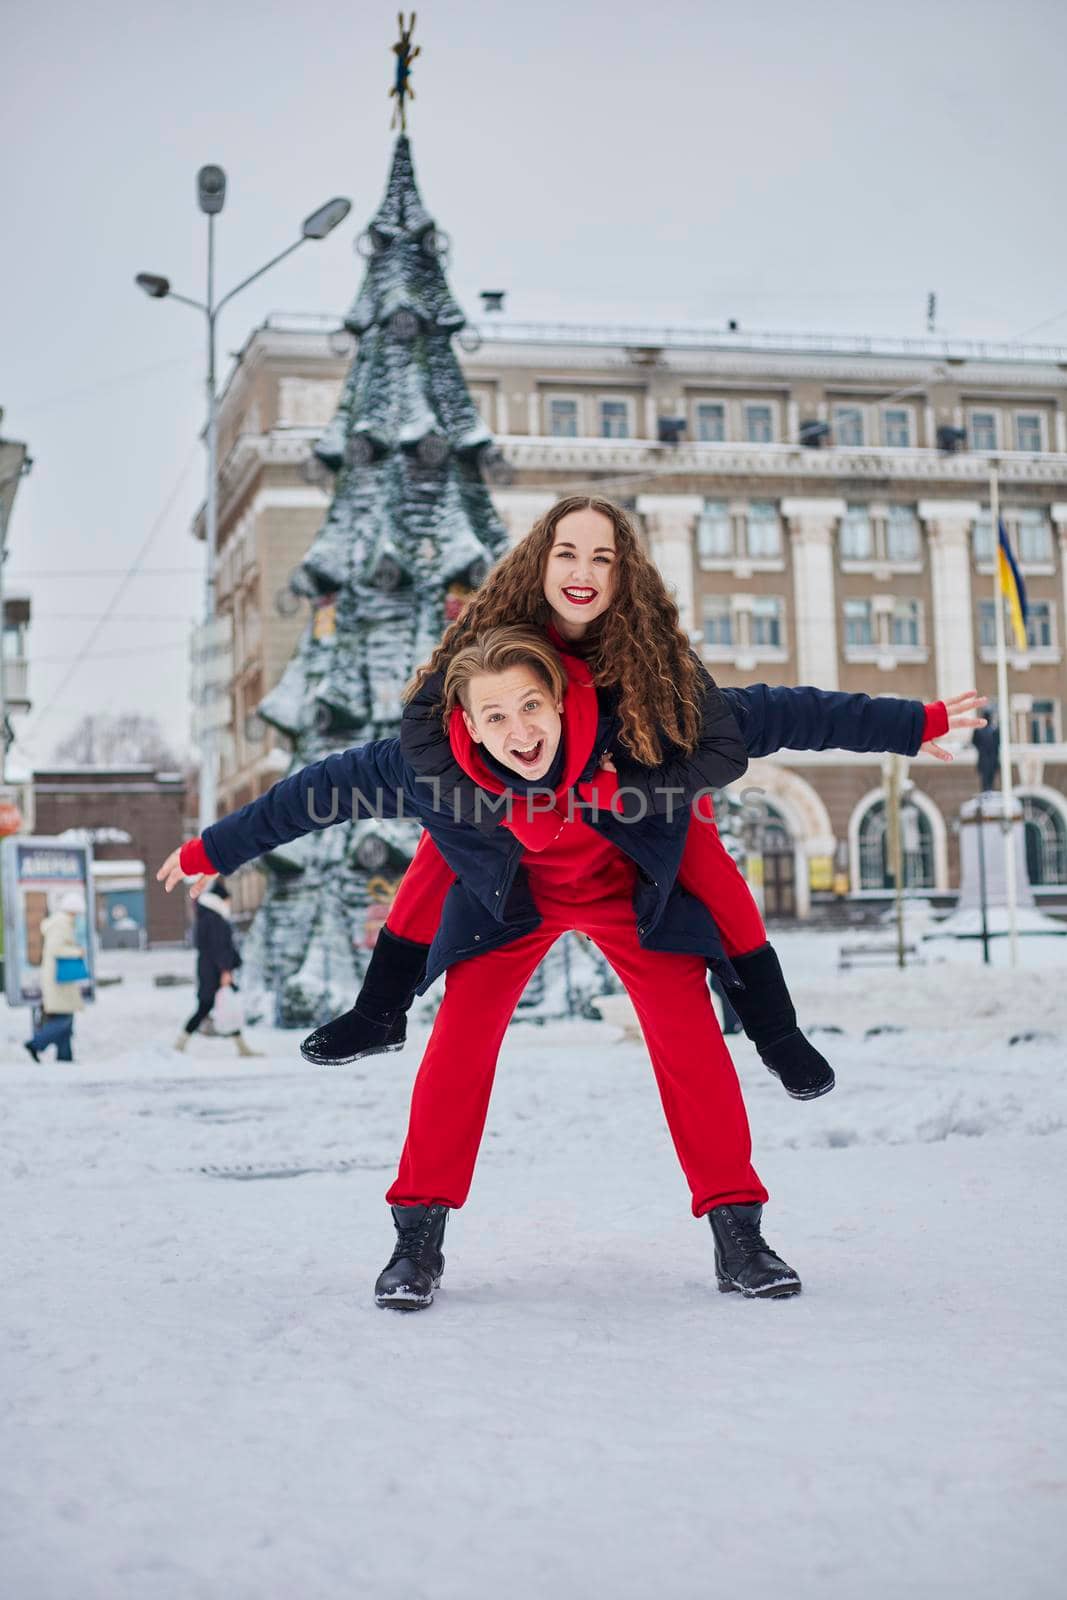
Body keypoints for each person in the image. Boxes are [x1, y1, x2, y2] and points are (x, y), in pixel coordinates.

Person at [159, 627, 800, 1307]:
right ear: (465, 724)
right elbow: (312, 792)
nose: (518, 732)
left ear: (559, 702)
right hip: (508, 900)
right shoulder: (429, 765)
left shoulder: (632, 732)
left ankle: (740, 1235)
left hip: (629, 891)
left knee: (691, 1043)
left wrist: (921, 723)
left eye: (530, 708)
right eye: (494, 716)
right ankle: (415, 1241)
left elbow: (790, 714)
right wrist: (212, 850)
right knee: (456, 1049)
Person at [302, 494, 985, 1100]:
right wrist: (478, 799)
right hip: (513, 814)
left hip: (642, 813)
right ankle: (379, 1011)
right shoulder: (494, 644)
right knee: (442, 839)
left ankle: (774, 1032)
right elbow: (422, 732)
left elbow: (779, 713)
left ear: (621, 574)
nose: (582, 571)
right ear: (539, 563)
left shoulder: (652, 663)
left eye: (602, 558)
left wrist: (912, 724)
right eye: (566, 553)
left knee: (710, 867)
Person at [174, 877, 261, 1058]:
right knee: (207, 1006)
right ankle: (180, 1043)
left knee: (223, 1006)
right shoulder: (215, 919)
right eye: (228, 900)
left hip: (208, 968)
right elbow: (220, 947)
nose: (229, 903)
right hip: (215, 970)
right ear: (219, 900)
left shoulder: (206, 916)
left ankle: (241, 1047)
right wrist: (226, 971)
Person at [25, 889, 87, 1064]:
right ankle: (35, 1044)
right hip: (58, 979)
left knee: (65, 1017)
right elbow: (56, 949)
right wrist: (77, 952)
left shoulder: (60, 923)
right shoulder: (62, 924)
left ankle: (65, 1057)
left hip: (60, 978)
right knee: (65, 1019)